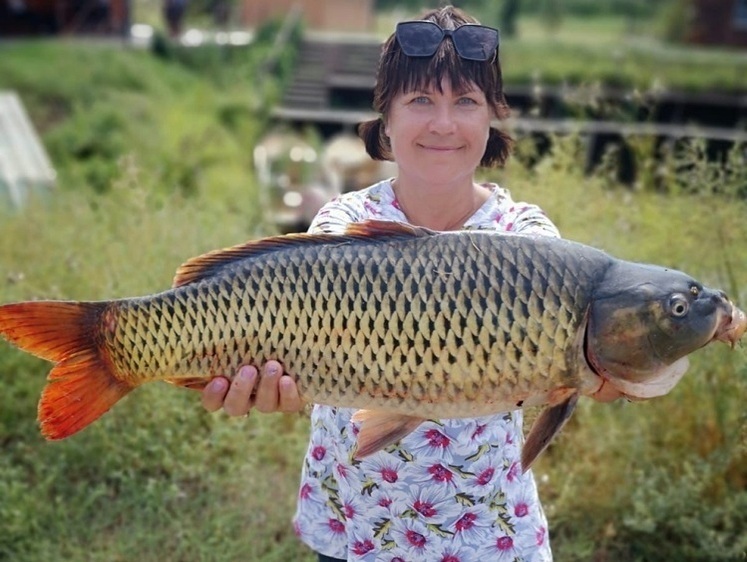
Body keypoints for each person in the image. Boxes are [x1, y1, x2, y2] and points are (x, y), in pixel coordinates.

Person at [202, 6, 620, 561]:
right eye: (421, 101)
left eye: (465, 102)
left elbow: (577, 370)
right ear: (386, 116)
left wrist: (610, 370)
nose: (443, 124)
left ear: (492, 117)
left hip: (486, 533)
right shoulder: (341, 224)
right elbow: (293, 357)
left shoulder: (530, 242)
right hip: (354, 522)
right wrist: (265, 385)